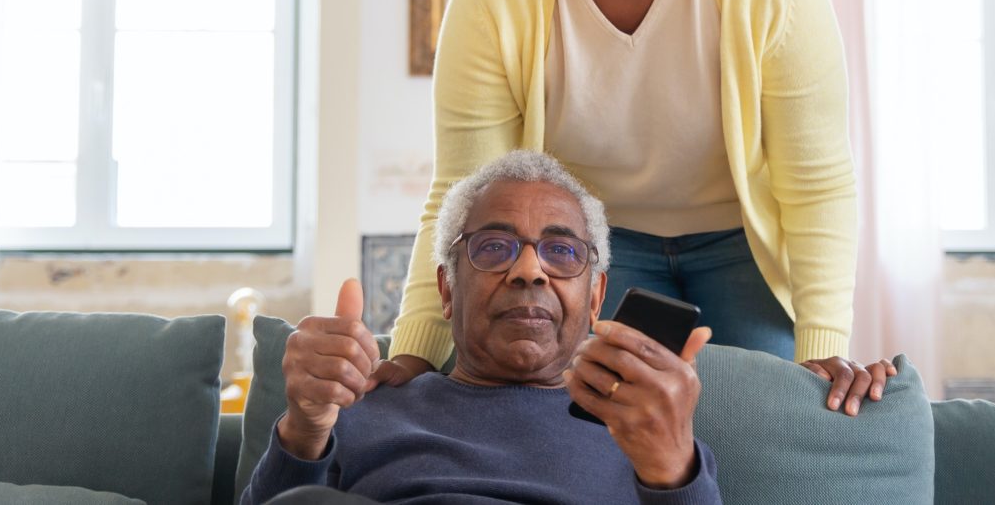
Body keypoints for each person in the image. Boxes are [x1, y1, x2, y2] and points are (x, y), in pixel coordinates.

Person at [377, 0, 890, 417]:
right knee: (581, 422)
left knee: (768, 419)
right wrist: (415, 353)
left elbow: (817, 185)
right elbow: (463, 194)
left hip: (743, 247)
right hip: (593, 249)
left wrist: (821, 351)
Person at [242, 151, 721, 504]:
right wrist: (305, 428)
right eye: (494, 247)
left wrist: (668, 464)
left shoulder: (648, 428)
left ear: (595, 297)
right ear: (447, 290)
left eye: (561, 251)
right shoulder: (357, 404)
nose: (529, 270)